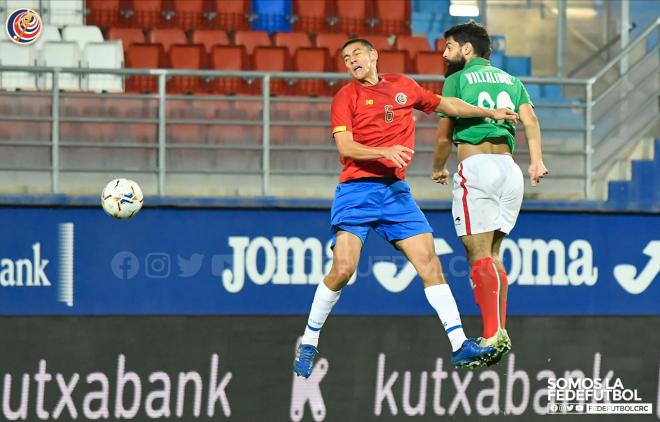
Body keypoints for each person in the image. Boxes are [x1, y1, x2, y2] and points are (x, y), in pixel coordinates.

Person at [293, 38, 519, 378]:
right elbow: (345, 145)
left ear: (373, 56)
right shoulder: (346, 97)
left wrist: (490, 112)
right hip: (356, 191)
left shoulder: (402, 86)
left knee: (431, 264)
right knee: (343, 269)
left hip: (396, 194)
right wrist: (384, 152)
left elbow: (448, 106)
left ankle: (459, 344)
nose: (351, 59)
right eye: (345, 57)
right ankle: (309, 341)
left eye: (356, 53)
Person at [431, 22, 549, 366]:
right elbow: (531, 121)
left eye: (450, 46)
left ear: (467, 50)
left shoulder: (457, 79)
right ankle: (497, 329)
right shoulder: (512, 81)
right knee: (493, 253)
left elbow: (443, 135)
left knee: (476, 253)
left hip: (478, 166)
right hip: (510, 171)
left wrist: (438, 167)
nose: (445, 53)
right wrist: (537, 161)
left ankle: (494, 333)